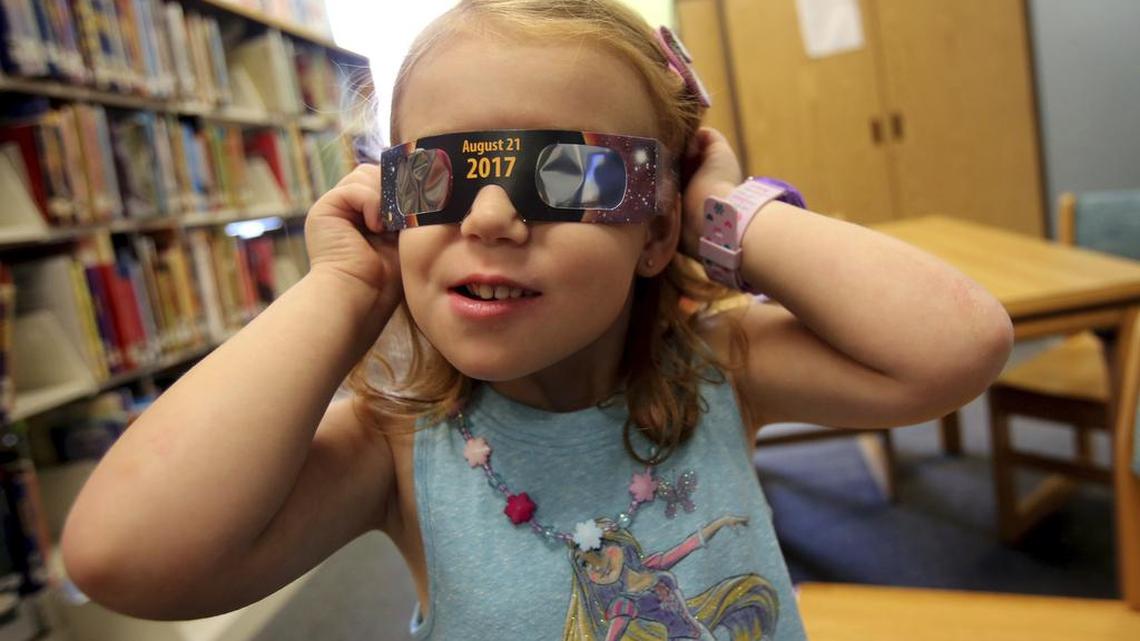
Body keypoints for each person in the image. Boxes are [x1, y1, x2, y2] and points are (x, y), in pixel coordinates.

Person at [60, 1, 1014, 639]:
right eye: (437, 176)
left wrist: (730, 219)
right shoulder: (399, 444)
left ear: (655, 227)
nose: (486, 216)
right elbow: (122, 557)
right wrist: (343, 293)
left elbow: (957, 346)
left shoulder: (714, 365)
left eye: (571, 175)